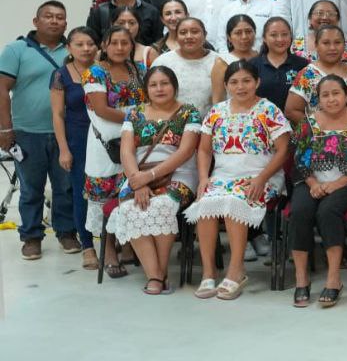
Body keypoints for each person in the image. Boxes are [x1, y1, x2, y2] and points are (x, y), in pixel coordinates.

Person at [186, 61, 291, 300]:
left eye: (246, 81)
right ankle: (209, 272)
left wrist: (262, 178)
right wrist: (203, 178)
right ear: (226, 85)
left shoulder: (269, 110)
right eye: (234, 82)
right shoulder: (216, 112)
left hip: (262, 177)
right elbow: (204, 150)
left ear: (257, 82)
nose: (240, 87)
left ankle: (236, 271)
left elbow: (283, 150)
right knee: (204, 204)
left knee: (234, 201)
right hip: (223, 177)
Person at [289, 75, 347, 308]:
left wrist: (336, 184)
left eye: (336, 93)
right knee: (300, 211)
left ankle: (334, 279)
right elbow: (299, 160)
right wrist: (313, 184)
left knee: (328, 211)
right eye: (325, 95)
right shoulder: (308, 122)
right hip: (313, 181)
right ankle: (301, 278)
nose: (331, 99)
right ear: (318, 99)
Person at [111, 66, 201, 295]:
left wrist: (150, 176)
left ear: (174, 86)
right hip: (137, 173)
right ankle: (156, 275)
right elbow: (126, 152)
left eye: (164, 83)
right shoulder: (134, 114)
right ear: (146, 89)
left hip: (179, 173)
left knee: (162, 205)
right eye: (153, 85)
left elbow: (186, 152)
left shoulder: (189, 112)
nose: (159, 89)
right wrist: (138, 181)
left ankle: (159, 275)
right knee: (130, 208)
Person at [0, 1, 73, 260]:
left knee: (65, 187)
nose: (54, 21)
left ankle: (66, 232)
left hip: (66, 132)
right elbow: (2, 90)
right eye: (48, 16)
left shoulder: (73, 49)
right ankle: (31, 237)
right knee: (31, 189)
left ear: (66, 23)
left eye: (60, 17)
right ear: (36, 21)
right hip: (27, 132)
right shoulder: (16, 50)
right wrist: (5, 128)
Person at [83, 25, 146, 278]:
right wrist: (139, 118)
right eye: (114, 43)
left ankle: (128, 244)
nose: (120, 47)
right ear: (104, 46)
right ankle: (109, 251)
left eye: (125, 43)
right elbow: (102, 110)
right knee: (104, 195)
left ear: (132, 45)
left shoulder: (139, 69)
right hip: (106, 144)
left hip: (135, 142)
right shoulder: (95, 72)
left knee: (127, 192)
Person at [51, 26, 99, 267]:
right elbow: (58, 115)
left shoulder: (104, 69)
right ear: (69, 47)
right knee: (82, 192)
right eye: (79, 44)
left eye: (90, 43)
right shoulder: (60, 75)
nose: (86, 48)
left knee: (110, 190)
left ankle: (115, 244)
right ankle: (88, 246)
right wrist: (63, 149)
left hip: (106, 138)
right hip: (77, 139)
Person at [284, 25, 347, 124]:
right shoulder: (307, 74)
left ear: (344, 45)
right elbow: (291, 111)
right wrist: (318, 128)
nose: (332, 48)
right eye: (326, 43)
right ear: (316, 45)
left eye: (337, 42)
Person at [151, 18, 218, 117]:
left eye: (194, 32)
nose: (189, 36)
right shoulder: (163, 62)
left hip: (210, 122)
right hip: (170, 122)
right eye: (183, 33)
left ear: (205, 35)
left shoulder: (218, 62)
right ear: (176, 36)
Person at [250, 17, 309, 112]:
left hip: (295, 120)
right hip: (261, 119)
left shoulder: (303, 65)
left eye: (284, 34)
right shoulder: (252, 65)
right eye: (274, 35)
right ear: (264, 38)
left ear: (291, 36)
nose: (280, 39)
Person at [292, 0, 347, 65]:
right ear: (310, 18)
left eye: (331, 14)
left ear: (338, 20)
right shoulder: (297, 44)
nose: (325, 17)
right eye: (319, 13)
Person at [210, 15, 258, 102]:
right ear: (229, 37)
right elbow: (217, 100)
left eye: (248, 31)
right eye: (238, 33)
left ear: (255, 33)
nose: (244, 36)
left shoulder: (262, 57)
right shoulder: (222, 62)